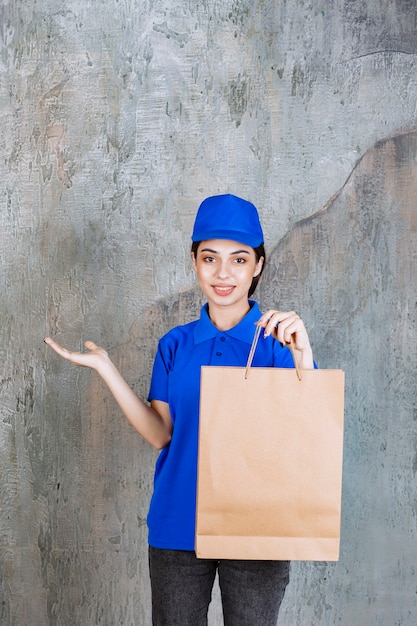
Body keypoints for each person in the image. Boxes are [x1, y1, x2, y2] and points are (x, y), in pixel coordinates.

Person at [45, 193, 315, 626]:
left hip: (257, 528)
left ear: (258, 265)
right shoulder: (174, 344)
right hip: (177, 525)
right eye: (210, 258)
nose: (223, 273)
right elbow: (160, 434)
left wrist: (304, 355)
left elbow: (309, 433)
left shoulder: (279, 343)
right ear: (194, 261)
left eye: (239, 259)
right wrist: (107, 369)